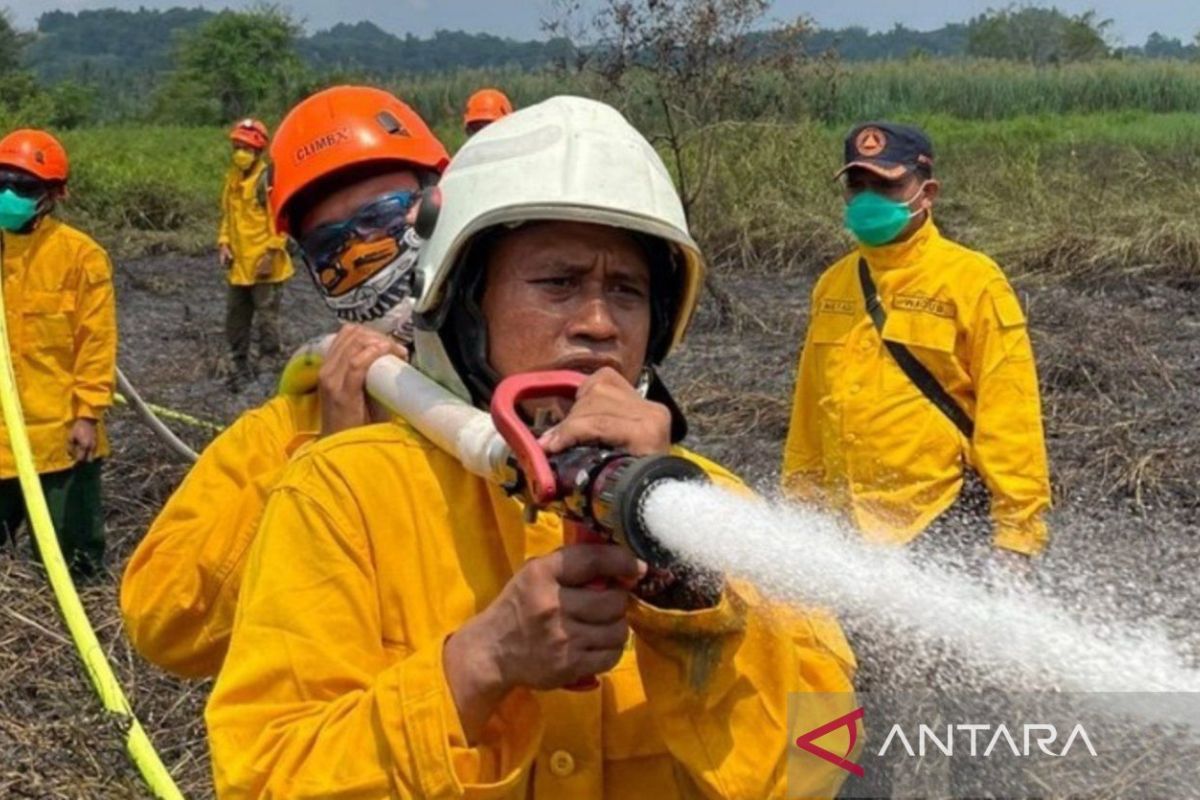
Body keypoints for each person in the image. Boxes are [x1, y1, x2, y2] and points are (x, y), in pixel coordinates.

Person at [205, 96, 857, 800]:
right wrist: (480, 663)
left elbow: (824, 765)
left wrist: (687, 596)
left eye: (628, 291)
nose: (600, 324)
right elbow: (263, 775)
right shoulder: (345, 494)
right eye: (558, 283)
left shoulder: (714, 514)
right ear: (462, 300)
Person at [120, 87, 449, 678]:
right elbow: (164, 623)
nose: (361, 255)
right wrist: (322, 465)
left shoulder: (534, 376)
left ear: (440, 203)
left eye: (381, 220)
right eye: (332, 248)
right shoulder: (284, 434)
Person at [782, 122, 1051, 562]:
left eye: (886, 185)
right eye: (858, 186)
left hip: (939, 519)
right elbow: (809, 411)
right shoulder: (832, 285)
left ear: (927, 193)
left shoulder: (974, 282)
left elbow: (1011, 414)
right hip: (843, 529)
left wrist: (1017, 534)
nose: (868, 200)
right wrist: (801, 511)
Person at [0, 129, 116, 578]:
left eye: (23, 187)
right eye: (2, 183)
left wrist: (87, 414)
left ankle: (79, 634)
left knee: (73, 560)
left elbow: (96, 341)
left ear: (53, 194)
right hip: (3, 440)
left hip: (61, 440)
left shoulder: (80, 257)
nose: (9, 195)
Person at [218, 118, 294, 390]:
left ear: (258, 152)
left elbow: (279, 220)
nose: (241, 153)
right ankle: (238, 366)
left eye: (246, 149)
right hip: (240, 265)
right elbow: (228, 214)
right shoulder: (234, 179)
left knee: (267, 318)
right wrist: (224, 242)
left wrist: (271, 254)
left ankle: (268, 367)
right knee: (235, 319)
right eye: (237, 147)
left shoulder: (267, 180)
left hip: (265, 264)